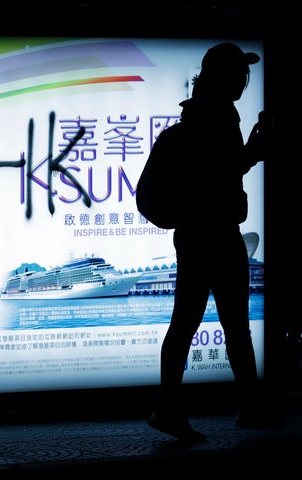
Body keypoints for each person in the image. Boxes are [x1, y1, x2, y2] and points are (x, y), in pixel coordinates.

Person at [145, 42, 270, 442]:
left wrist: (248, 151)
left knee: (187, 324)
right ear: (223, 76)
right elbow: (221, 174)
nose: (244, 80)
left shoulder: (202, 115)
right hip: (215, 234)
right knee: (230, 325)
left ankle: (171, 407)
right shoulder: (217, 118)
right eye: (239, 73)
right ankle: (248, 408)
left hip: (197, 235)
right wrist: (253, 150)